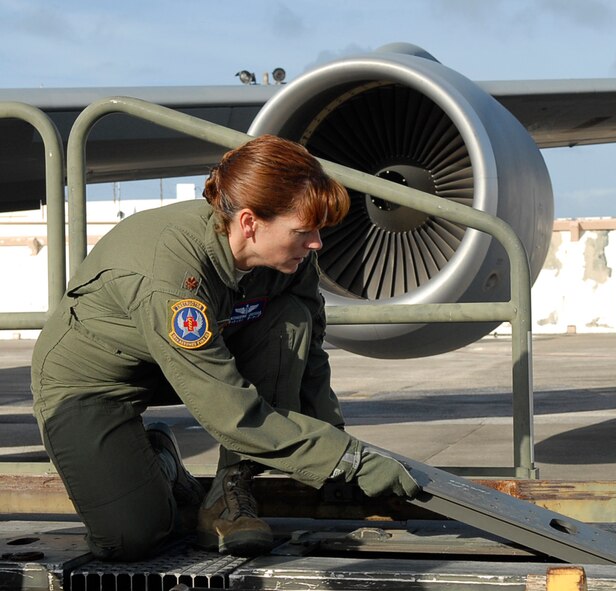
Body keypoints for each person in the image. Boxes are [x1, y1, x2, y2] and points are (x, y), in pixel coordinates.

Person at [30, 134, 419, 562]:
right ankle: (161, 462)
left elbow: (308, 359)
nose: (316, 244)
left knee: (289, 318)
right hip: (93, 382)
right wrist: (350, 460)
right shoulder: (173, 276)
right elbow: (226, 408)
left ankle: (230, 493)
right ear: (251, 222)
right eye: (303, 231)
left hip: (195, 364)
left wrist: (337, 453)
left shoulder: (291, 260)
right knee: (130, 539)